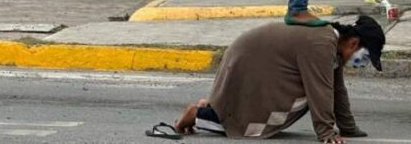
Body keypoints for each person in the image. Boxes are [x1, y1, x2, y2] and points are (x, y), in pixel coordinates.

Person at [154, 16, 386, 142]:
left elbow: (337, 89)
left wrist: (347, 128)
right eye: (364, 57)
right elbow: (322, 91)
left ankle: (215, 107)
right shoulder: (322, 44)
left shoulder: (328, 41)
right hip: (248, 66)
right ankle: (200, 115)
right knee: (249, 127)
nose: (362, 63)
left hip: (249, 63)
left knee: (314, 91)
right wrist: (326, 133)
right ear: (354, 43)